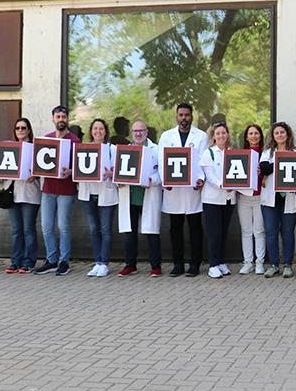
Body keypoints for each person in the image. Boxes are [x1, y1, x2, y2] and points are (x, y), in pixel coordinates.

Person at [159, 103, 208, 277]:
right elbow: (161, 161)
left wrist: (200, 179)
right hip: (174, 190)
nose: (184, 118)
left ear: (192, 117)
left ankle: (195, 264)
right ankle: (177, 264)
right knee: (175, 228)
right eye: (181, 115)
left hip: (192, 189)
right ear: (176, 116)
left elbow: (203, 161)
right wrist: (165, 180)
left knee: (195, 227)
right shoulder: (166, 136)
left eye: (187, 115)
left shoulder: (201, 136)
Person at [34, 105, 80, 276]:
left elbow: (81, 167)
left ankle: (64, 262)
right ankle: (51, 260)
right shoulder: (46, 139)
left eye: (63, 117)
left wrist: (71, 172)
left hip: (66, 190)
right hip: (48, 189)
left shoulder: (74, 141)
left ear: (68, 119)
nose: (61, 120)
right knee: (46, 226)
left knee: (63, 226)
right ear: (53, 119)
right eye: (58, 117)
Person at [116, 120, 163, 277]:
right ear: (131, 132)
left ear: (146, 132)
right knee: (130, 233)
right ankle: (130, 265)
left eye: (141, 130)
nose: (138, 134)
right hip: (130, 197)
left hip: (148, 195)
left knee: (151, 232)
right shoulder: (125, 151)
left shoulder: (156, 150)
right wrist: (119, 181)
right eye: (135, 131)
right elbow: (118, 172)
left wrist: (152, 180)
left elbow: (162, 172)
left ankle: (156, 266)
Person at [259, 122, 296, 278]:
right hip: (271, 198)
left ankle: (288, 265)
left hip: (288, 198)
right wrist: (281, 160)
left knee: (287, 232)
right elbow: (264, 169)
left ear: (287, 134)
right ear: (273, 136)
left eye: (282, 132)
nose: (280, 135)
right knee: (271, 232)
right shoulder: (268, 152)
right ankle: (273, 265)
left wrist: (278, 162)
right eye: (276, 133)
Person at [78, 119, 118, 277]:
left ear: (105, 131)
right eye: (95, 128)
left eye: (101, 128)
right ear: (91, 131)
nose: (98, 131)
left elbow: (120, 169)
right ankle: (97, 262)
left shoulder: (112, 149)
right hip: (88, 194)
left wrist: (111, 173)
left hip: (106, 194)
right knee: (94, 230)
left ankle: (105, 263)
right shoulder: (82, 148)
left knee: (105, 230)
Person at [200, 121, 236, 278]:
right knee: (214, 233)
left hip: (229, 199)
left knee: (223, 233)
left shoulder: (232, 152)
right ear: (213, 136)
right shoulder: (209, 153)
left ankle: (221, 262)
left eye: (224, 132)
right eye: (218, 133)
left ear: (227, 134)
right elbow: (210, 177)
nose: (221, 135)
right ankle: (213, 265)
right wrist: (223, 185)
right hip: (212, 200)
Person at [4, 117, 41, 274]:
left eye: (23, 128)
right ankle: (15, 261)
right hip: (12, 193)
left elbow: (44, 168)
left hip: (30, 194)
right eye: (17, 128)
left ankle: (29, 261)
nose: (20, 130)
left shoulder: (36, 149)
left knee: (28, 229)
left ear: (29, 130)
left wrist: (36, 175)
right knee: (16, 230)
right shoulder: (7, 148)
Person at [237, 124, 266, 275]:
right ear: (246, 137)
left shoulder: (266, 154)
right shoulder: (241, 154)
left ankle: (259, 262)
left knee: (259, 231)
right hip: (244, 197)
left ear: (260, 136)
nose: (254, 136)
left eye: (256, 133)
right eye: (251, 133)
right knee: (246, 231)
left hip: (260, 197)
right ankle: (248, 262)